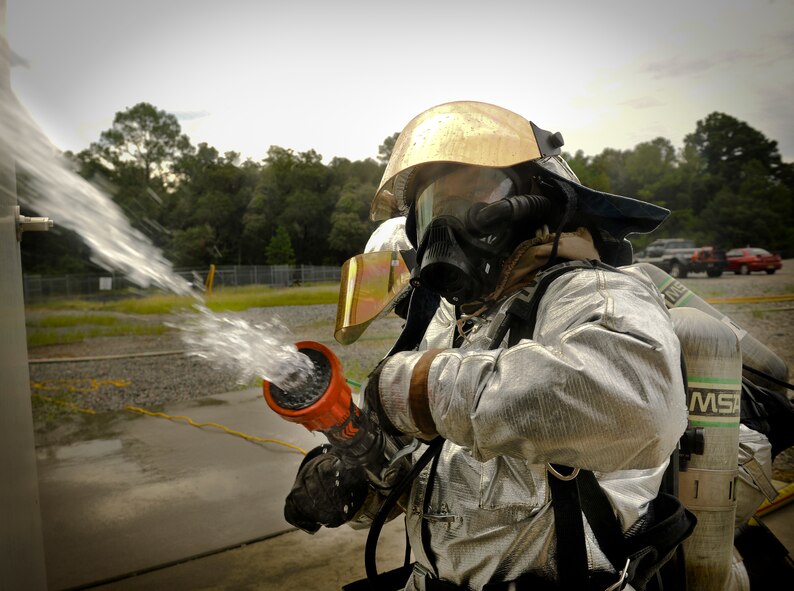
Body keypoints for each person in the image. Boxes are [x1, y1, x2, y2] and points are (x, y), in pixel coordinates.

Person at [285, 101, 695, 591]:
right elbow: (417, 468)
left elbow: (640, 404)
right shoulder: (457, 322)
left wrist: (417, 390)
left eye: (476, 197)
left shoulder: (594, 292)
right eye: (435, 207)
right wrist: (355, 468)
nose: (446, 227)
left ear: (535, 202)